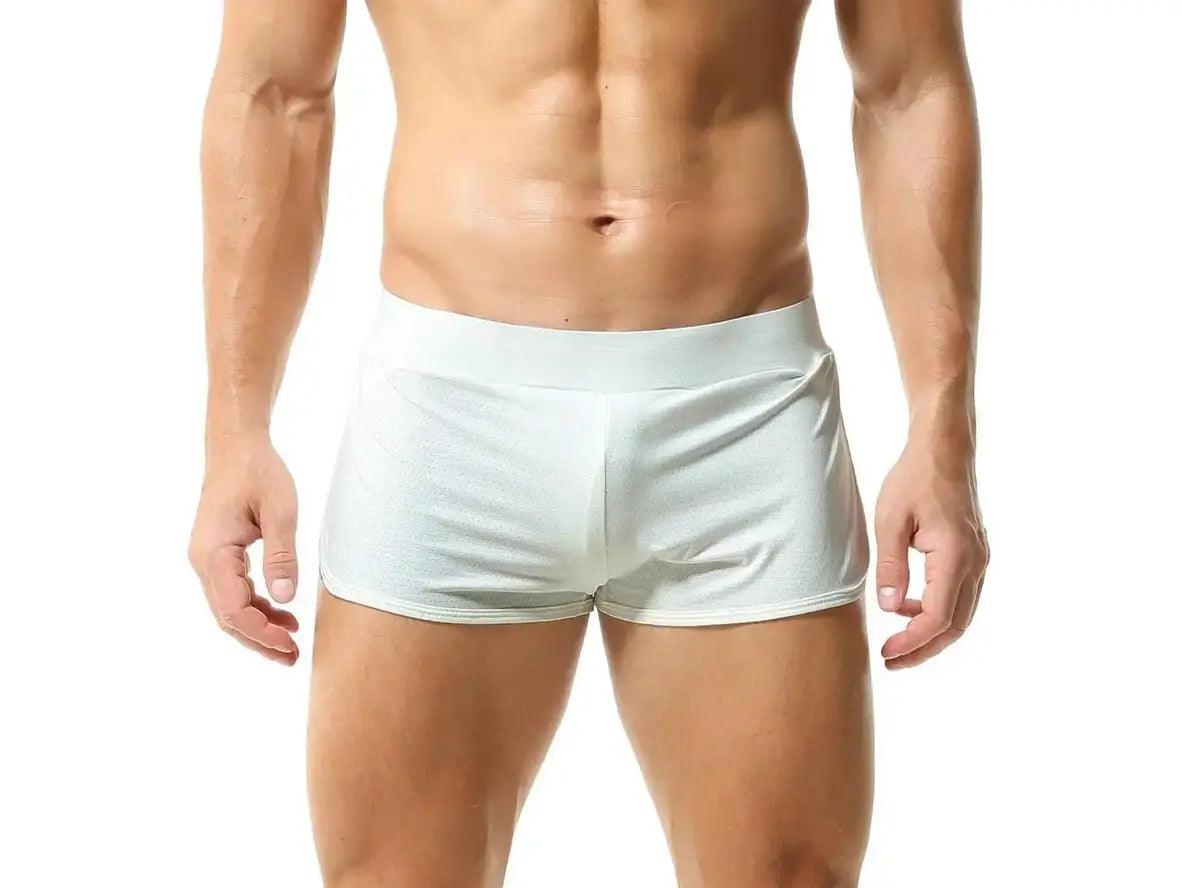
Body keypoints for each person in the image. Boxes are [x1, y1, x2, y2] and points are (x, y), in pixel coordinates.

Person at [188, 0, 989, 884]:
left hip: (742, 413)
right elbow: (276, 93)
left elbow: (909, 86)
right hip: (450, 415)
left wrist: (941, 433)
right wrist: (236, 431)